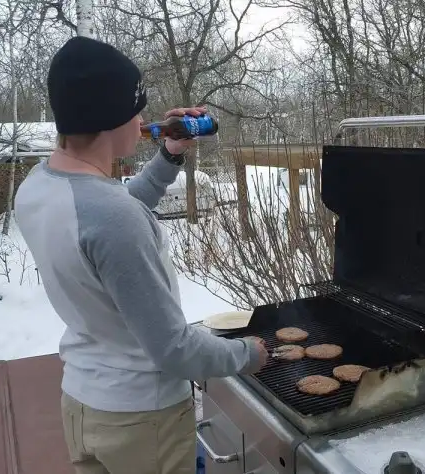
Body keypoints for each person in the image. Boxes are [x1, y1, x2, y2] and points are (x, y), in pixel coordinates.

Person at [14, 36, 268, 474]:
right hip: (143, 420)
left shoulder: (38, 186)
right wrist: (249, 354)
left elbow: (108, 216)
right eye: (136, 111)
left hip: (83, 404)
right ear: (110, 119)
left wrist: (169, 155)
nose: (143, 121)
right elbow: (174, 349)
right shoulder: (112, 217)